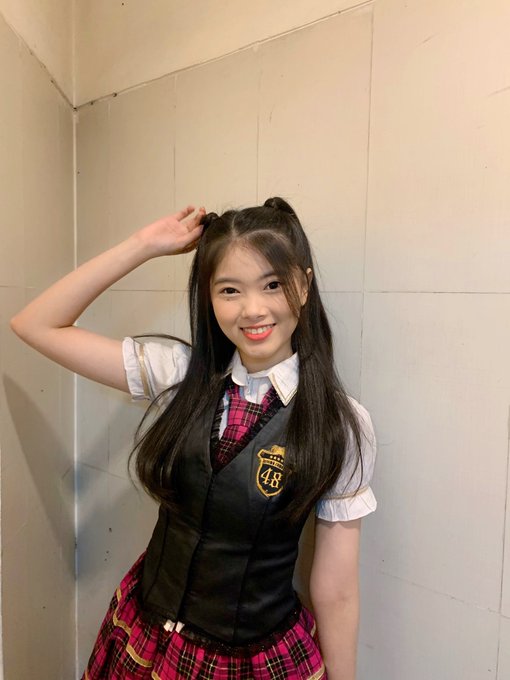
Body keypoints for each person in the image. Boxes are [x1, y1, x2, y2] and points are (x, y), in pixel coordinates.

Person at [10, 197, 377, 680]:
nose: (253, 309)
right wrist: (144, 245)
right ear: (208, 296)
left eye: (272, 284)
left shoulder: (340, 424)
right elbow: (35, 324)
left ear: (304, 286)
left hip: (252, 660)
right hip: (142, 635)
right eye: (229, 290)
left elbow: (337, 590)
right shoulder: (179, 376)